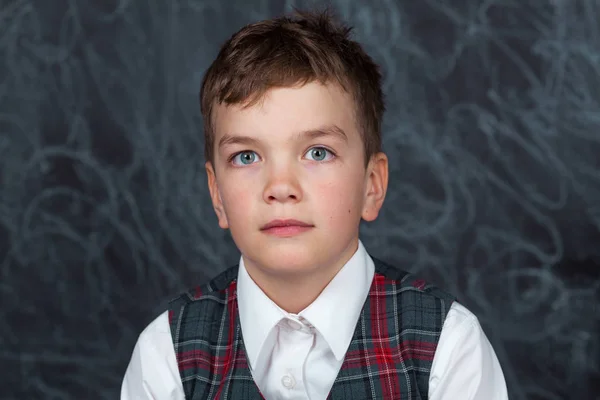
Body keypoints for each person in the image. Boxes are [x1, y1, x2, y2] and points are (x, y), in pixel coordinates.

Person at [121, 8, 508, 400]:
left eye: (318, 153)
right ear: (217, 195)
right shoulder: (167, 353)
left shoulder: (448, 348)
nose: (281, 187)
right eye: (246, 157)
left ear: (371, 186)